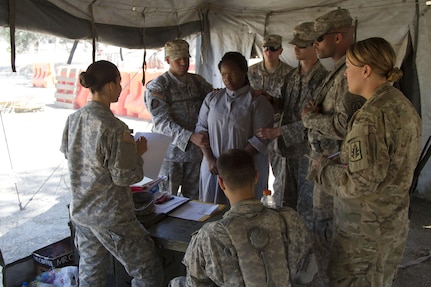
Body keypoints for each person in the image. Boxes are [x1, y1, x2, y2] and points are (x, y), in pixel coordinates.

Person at [308, 37, 422, 287]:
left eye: (349, 66)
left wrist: (322, 170)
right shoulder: (401, 104)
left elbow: (359, 184)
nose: (346, 73)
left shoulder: (370, 118)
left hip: (363, 235)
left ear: (366, 70)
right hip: (390, 225)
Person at [60, 60, 162, 287]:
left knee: (91, 273)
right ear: (109, 85)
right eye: (119, 83)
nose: (121, 88)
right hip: (111, 217)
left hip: (82, 213)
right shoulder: (115, 128)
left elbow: (72, 157)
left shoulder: (73, 120)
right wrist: (138, 154)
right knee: (149, 272)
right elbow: (125, 177)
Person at [169, 149, 313, 287]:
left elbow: (195, 283)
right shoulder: (290, 220)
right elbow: (308, 272)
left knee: (176, 282)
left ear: (221, 183)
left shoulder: (209, 235)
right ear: (256, 176)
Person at [300, 8, 365, 285]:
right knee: (323, 229)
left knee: (333, 232)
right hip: (326, 165)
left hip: (337, 167)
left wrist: (310, 118)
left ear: (338, 37)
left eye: (319, 38)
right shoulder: (338, 70)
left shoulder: (349, 72)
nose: (315, 44)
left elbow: (345, 125)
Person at [256, 22, 328, 230]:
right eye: (295, 45)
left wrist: (280, 131)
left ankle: (304, 251)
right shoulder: (291, 77)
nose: (296, 49)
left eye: (302, 45)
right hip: (287, 151)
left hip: (309, 153)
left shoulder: (322, 80)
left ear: (315, 46)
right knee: (284, 203)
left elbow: (317, 121)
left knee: (307, 208)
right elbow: (285, 105)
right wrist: (270, 99)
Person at [196, 51, 274, 205]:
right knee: (211, 211)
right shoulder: (212, 99)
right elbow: (201, 129)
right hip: (213, 167)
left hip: (244, 169)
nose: (228, 79)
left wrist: (234, 164)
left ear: (244, 72)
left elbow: (261, 137)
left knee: (245, 212)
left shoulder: (257, 102)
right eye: (223, 74)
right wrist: (210, 158)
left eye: (233, 73)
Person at [145, 39, 213, 199]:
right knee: (166, 200)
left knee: (195, 201)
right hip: (170, 156)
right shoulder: (159, 86)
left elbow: (215, 100)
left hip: (196, 155)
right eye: (178, 59)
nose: (183, 63)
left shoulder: (198, 82)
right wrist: (190, 136)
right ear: (168, 60)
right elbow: (161, 122)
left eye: (186, 58)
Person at [248, 34, 295, 208]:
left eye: (273, 48)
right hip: (255, 130)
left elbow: (291, 105)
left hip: (277, 129)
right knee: (255, 174)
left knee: (280, 176)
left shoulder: (290, 73)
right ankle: (253, 208)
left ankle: (277, 210)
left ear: (280, 51)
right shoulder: (251, 72)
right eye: (266, 48)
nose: (269, 52)